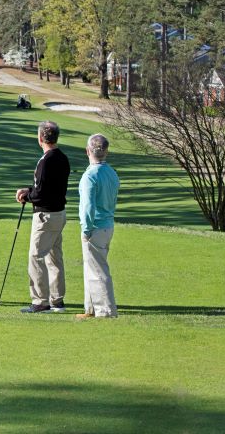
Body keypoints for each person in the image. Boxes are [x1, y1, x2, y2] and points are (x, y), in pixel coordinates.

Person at [15, 121, 71, 314]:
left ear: (40, 138)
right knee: (54, 257)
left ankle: (40, 301)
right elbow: (46, 188)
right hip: (59, 214)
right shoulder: (62, 158)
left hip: (46, 215)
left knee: (36, 256)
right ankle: (57, 299)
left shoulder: (45, 161)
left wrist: (27, 196)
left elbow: (41, 193)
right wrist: (29, 191)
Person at [77, 134, 121, 319]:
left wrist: (86, 229)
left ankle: (106, 310)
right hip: (107, 225)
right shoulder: (111, 172)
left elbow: (88, 206)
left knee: (98, 269)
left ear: (88, 151)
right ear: (106, 152)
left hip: (95, 226)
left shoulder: (90, 175)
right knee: (91, 267)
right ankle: (91, 308)